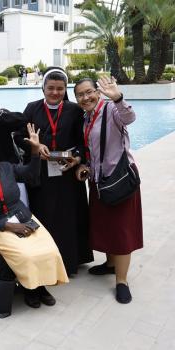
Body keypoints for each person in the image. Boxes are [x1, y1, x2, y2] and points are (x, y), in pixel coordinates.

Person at [0, 129, 69, 309]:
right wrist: (10, 227)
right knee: (26, 255)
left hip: (23, 217)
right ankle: (31, 289)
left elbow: (30, 175)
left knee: (49, 250)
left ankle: (41, 286)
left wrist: (35, 151)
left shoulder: (6, 167)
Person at [73, 77, 143, 304]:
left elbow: (129, 118)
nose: (85, 98)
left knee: (122, 230)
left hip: (119, 180)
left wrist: (118, 97)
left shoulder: (112, 109)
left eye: (89, 92)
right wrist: (85, 167)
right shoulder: (87, 117)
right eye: (80, 95)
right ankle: (111, 264)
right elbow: (93, 151)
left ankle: (121, 281)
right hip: (99, 181)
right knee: (105, 226)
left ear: (98, 92)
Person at [18, 67, 93, 275]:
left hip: (67, 172)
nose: (55, 92)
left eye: (60, 88)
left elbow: (83, 140)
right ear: (43, 88)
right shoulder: (32, 109)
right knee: (45, 216)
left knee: (68, 217)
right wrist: (34, 146)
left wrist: (77, 157)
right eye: (50, 88)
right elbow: (19, 135)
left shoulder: (74, 110)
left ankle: (70, 261)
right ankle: (46, 260)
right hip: (41, 173)